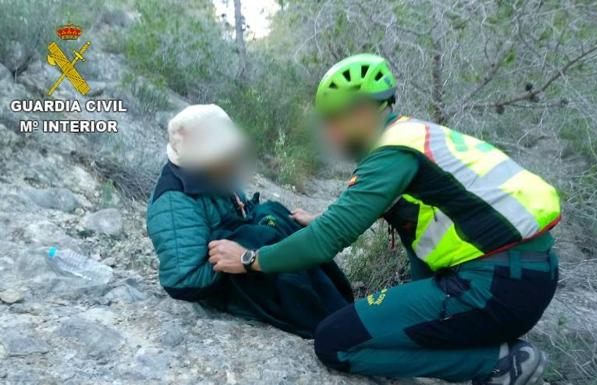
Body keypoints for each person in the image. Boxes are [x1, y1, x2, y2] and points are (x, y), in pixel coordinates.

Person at [208, 55, 561, 385]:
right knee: (381, 322)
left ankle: (499, 362)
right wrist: (322, 218)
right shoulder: (413, 135)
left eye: (332, 119)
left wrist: (249, 260)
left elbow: (325, 241)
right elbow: (416, 215)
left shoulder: (391, 153)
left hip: (493, 288)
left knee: (334, 342)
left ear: (362, 111)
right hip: (523, 278)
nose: (329, 133)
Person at [146, 104, 352, 338]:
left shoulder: (214, 172)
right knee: (265, 240)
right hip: (217, 283)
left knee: (276, 216)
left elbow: (240, 214)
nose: (234, 159)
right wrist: (239, 256)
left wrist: (260, 225)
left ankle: (339, 304)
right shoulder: (174, 202)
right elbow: (183, 280)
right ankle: (328, 321)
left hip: (235, 257)